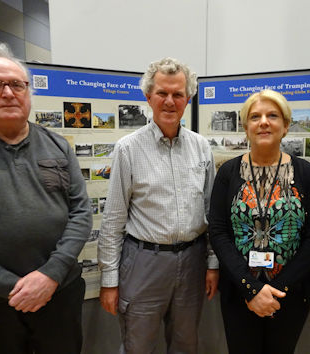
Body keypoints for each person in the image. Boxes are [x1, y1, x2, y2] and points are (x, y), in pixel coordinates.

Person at [0, 42, 92, 354]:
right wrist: (13, 287)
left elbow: (81, 213)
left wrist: (50, 275)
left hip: (58, 293)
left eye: (17, 84)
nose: (8, 92)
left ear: (28, 92)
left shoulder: (57, 145)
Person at [98, 57, 219, 354]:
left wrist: (213, 264)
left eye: (177, 94)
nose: (169, 101)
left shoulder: (201, 147)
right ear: (148, 97)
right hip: (143, 263)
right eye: (162, 93)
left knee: (186, 345)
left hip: (192, 261)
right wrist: (110, 281)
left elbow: (211, 210)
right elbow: (113, 220)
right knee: (138, 346)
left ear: (187, 99)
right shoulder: (128, 148)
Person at [209, 90, 310, 354]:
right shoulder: (228, 173)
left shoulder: (305, 173)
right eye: (255, 116)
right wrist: (251, 289)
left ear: (285, 126)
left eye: (272, 115)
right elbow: (218, 233)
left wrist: (275, 288)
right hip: (239, 293)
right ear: (246, 127)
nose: (263, 122)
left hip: (289, 294)